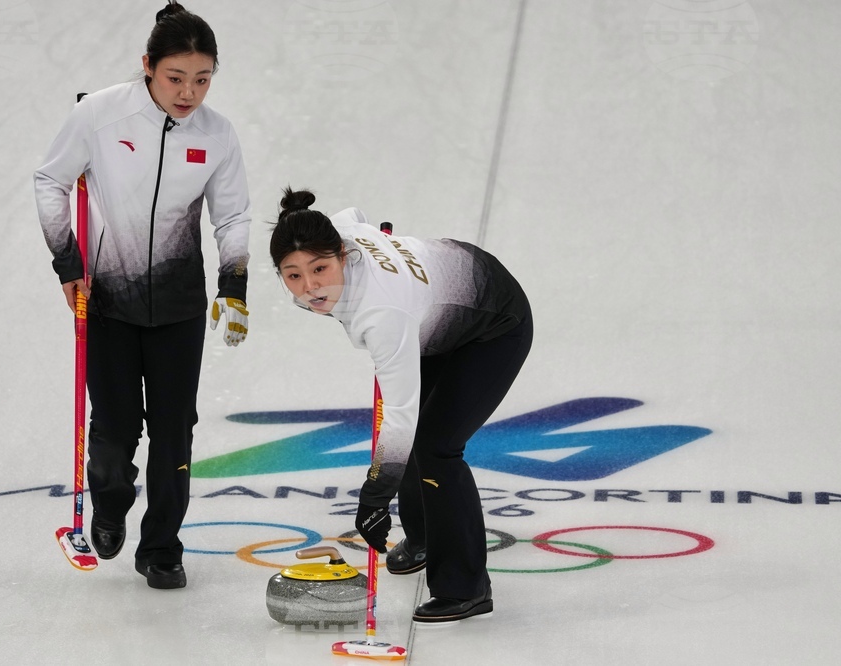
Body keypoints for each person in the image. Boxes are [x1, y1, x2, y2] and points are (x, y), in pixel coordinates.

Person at [34, 1, 251, 590]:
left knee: (175, 431)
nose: (188, 93)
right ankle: (109, 505)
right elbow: (50, 180)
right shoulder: (100, 114)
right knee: (115, 430)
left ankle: (161, 548)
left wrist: (234, 284)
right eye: (176, 77)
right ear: (148, 65)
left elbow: (232, 216)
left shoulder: (217, 135)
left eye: (202, 79)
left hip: (179, 305)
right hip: (107, 299)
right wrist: (67, 263)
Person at [270, 188, 532, 622]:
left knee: (435, 445)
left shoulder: (382, 315)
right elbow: (353, 213)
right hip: (431, 315)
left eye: (320, 269)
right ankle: (425, 537)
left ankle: (466, 587)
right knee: (419, 437)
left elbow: (400, 420)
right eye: (293, 275)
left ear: (342, 254)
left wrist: (374, 498)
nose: (310, 287)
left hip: (494, 320)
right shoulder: (342, 231)